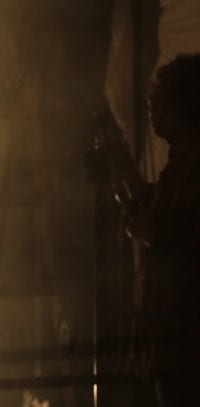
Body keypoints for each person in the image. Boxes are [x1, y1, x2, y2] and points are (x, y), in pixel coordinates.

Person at [122, 53, 200, 405]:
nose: (151, 108)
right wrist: (121, 173)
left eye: (158, 100)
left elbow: (185, 231)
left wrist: (154, 230)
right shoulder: (181, 164)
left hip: (187, 340)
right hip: (173, 342)